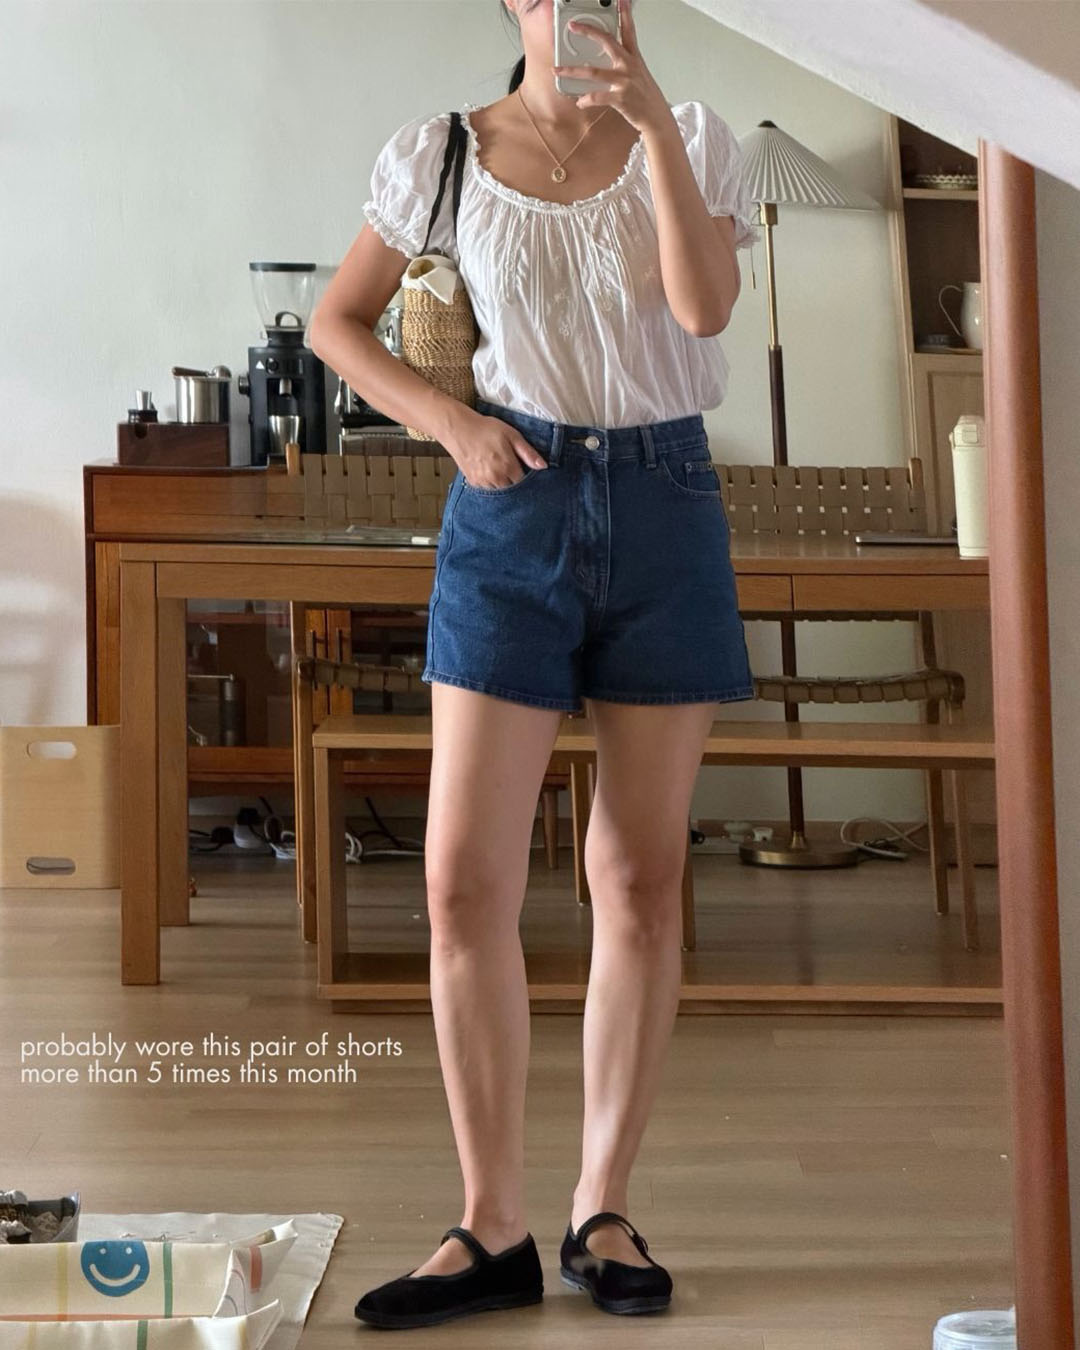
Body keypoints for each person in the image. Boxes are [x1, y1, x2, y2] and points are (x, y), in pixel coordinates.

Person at [309, 0, 759, 1329]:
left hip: (667, 501)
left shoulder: (694, 135)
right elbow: (340, 323)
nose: (586, 6)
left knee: (639, 873)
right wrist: (449, 424)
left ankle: (601, 1206)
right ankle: (491, 1223)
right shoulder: (440, 155)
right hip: (510, 503)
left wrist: (650, 125)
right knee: (460, 881)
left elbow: (704, 307)